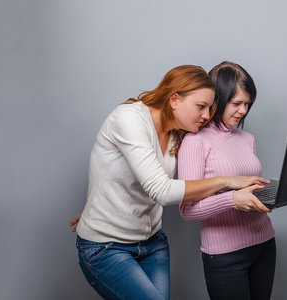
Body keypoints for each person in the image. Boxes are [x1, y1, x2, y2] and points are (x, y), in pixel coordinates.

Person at [70, 65, 271, 300]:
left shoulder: (180, 132)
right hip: (106, 247)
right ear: (174, 99)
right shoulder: (129, 118)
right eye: (201, 107)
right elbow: (162, 191)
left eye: (210, 108)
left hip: (153, 242)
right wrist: (226, 181)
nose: (207, 116)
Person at [178, 61, 287, 300]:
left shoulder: (247, 139)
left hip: (264, 245)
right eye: (236, 103)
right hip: (225, 256)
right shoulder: (195, 141)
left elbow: (253, 188)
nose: (243, 111)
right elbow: (187, 211)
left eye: (247, 104)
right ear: (218, 99)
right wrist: (232, 200)